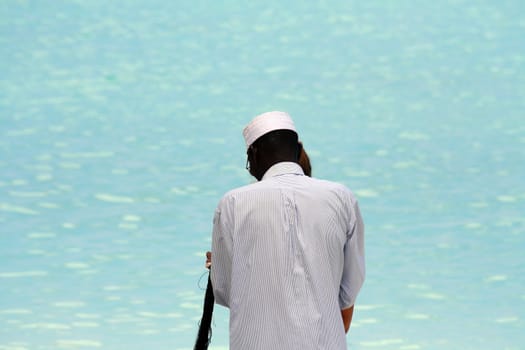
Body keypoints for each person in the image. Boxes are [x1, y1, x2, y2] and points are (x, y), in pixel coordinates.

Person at [210, 111, 365, 350]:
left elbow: (226, 289)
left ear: (253, 153)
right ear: (298, 148)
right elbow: (348, 289)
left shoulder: (233, 204)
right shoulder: (341, 198)